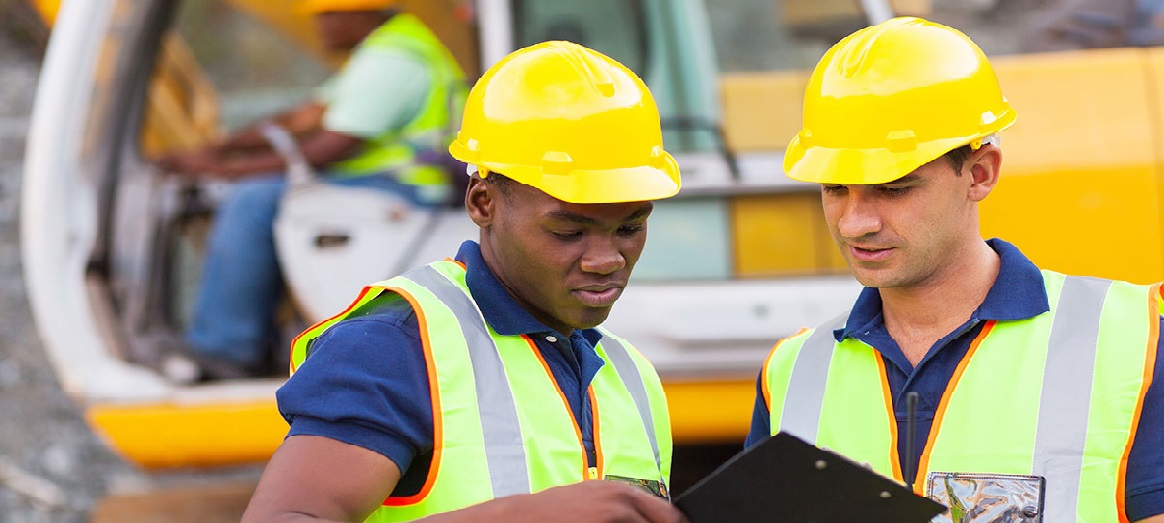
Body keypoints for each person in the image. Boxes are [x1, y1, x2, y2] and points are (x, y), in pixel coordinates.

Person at [240, 41, 687, 522]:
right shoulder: (394, 346)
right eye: (568, 231)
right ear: (482, 202)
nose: (605, 259)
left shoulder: (629, 373)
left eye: (630, 228)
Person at [747, 17, 1164, 523]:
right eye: (835, 189)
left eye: (893, 188)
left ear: (980, 173)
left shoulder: (1131, 342)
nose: (855, 222)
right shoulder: (792, 372)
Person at [157, 0, 466, 379]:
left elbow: (329, 148)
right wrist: (218, 150)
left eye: (326, 17)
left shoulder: (394, 60)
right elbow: (305, 117)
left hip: (405, 188)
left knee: (254, 199)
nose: (320, 29)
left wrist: (224, 170)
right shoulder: (385, 51)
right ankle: (255, 339)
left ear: (360, 12)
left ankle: (226, 347)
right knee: (258, 191)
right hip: (388, 183)